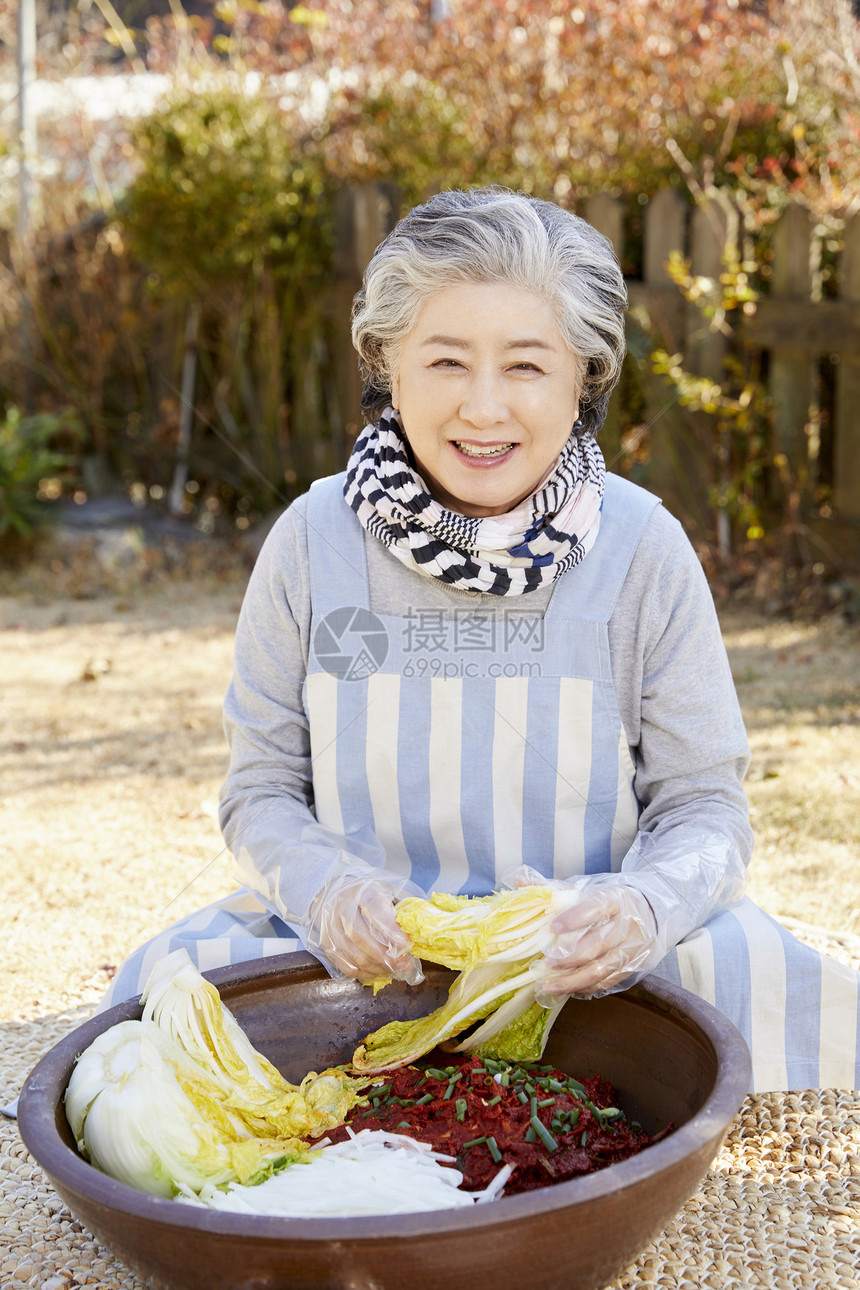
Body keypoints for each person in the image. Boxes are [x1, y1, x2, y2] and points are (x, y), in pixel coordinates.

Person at [103, 187, 859, 1094]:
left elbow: (705, 806)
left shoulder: (641, 546)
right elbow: (261, 789)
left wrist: (643, 909)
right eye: (447, 361)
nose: (484, 408)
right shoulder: (314, 540)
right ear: (388, 364)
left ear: (585, 377)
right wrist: (326, 895)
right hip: (363, 967)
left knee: (762, 978)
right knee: (168, 995)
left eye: (528, 367)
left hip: (586, 969)